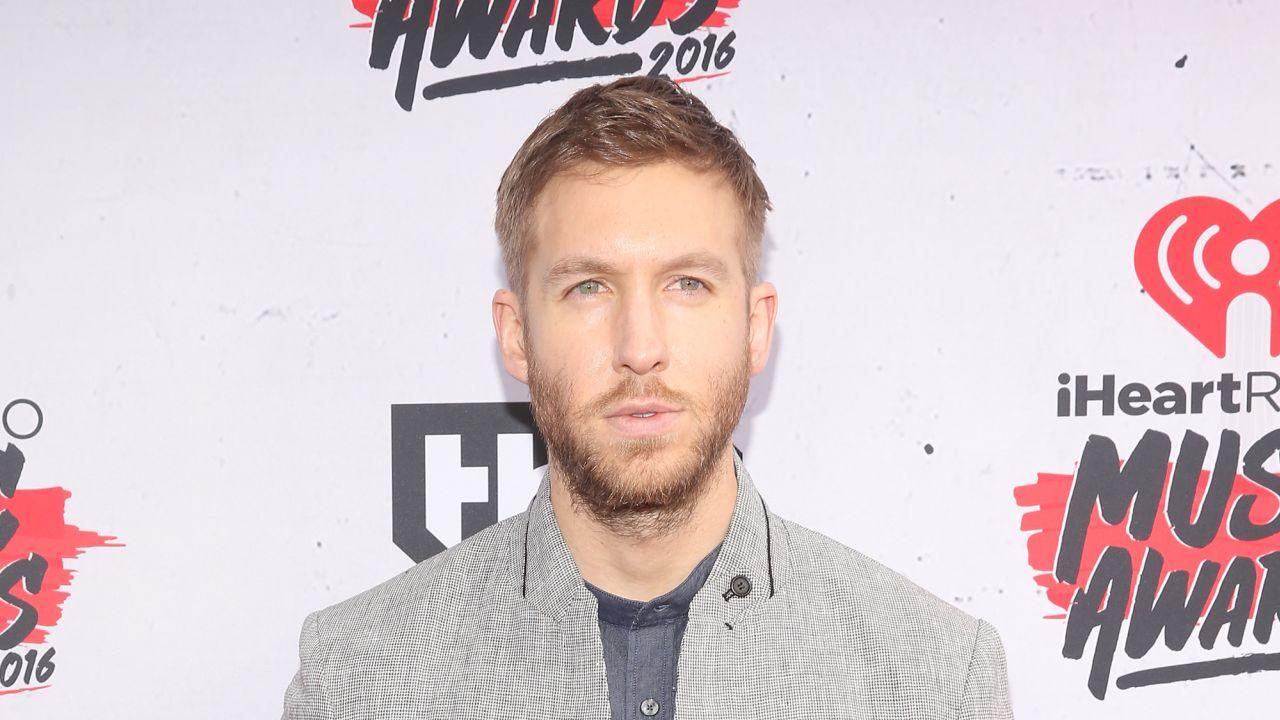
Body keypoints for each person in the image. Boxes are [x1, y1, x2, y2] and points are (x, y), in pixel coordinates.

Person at [282, 75, 1013, 720]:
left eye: (687, 284)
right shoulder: (360, 681)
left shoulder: (934, 680)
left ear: (756, 328)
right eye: (588, 287)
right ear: (516, 335)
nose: (639, 346)